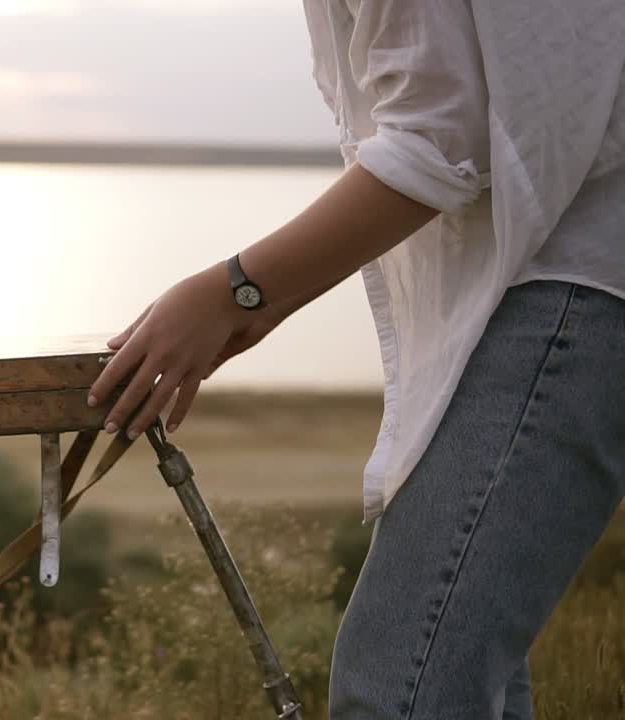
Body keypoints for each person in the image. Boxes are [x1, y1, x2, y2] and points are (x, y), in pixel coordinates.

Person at [87, 2, 625, 718]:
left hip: (574, 280)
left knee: (401, 687)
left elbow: (441, 137)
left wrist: (235, 293)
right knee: (466, 677)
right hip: (551, 270)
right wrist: (257, 305)